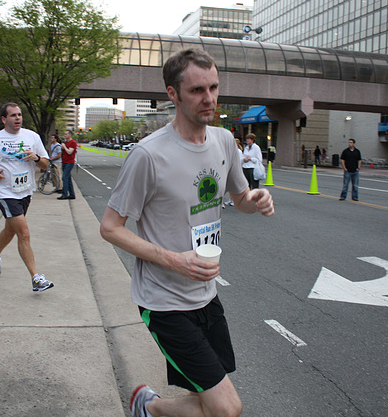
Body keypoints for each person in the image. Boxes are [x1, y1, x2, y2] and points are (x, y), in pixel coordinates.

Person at [100, 49, 274, 417]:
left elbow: (239, 198)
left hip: (206, 295)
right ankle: (149, 408)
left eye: (213, 87)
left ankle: (150, 408)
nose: (209, 98)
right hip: (164, 302)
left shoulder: (225, 141)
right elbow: (110, 228)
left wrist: (255, 198)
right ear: (172, 93)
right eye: (196, 90)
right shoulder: (148, 155)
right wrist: (174, 260)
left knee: (210, 402)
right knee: (227, 408)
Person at [0, 102, 54, 292]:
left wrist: (34, 157)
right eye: (13, 115)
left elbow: (45, 164)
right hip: (4, 192)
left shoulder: (31, 136)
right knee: (23, 233)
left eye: (19, 115)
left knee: (11, 229)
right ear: (4, 119)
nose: (17, 118)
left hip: (25, 190)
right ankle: (36, 278)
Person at [57, 130, 77, 200]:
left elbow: (69, 152)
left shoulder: (73, 143)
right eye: (64, 134)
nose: (65, 135)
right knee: (68, 178)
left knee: (64, 177)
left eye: (66, 134)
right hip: (64, 161)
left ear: (70, 135)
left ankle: (64, 194)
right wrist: (63, 147)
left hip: (70, 162)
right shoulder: (66, 142)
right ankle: (72, 194)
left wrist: (64, 147)